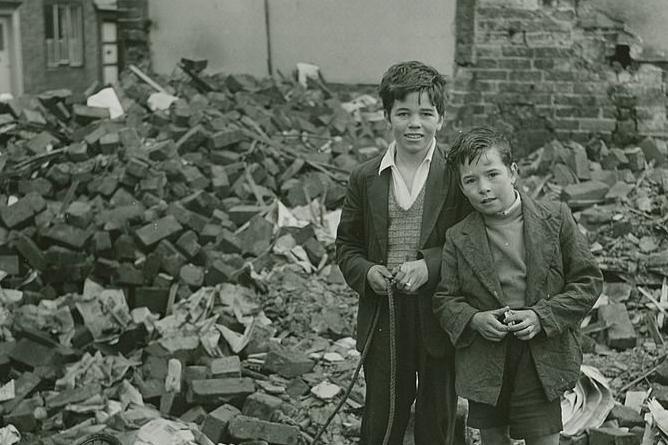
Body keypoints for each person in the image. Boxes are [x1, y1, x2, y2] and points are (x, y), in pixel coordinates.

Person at [433, 127, 602, 445]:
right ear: (462, 187)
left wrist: (542, 316)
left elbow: (588, 281)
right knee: (493, 437)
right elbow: (445, 299)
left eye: (492, 174)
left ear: (513, 172)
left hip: (541, 354)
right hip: (484, 356)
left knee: (543, 437)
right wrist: (474, 320)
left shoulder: (555, 218)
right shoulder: (458, 236)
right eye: (471, 181)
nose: (484, 188)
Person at [336, 61, 470, 445]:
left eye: (426, 113)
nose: (415, 123)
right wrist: (367, 273)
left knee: (437, 416)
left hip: (440, 313)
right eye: (404, 113)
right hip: (384, 315)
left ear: (440, 119)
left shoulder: (456, 175)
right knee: (383, 413)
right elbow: (346, 245)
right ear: (386, 116)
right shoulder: (365, 177)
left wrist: (429, 266)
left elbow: (470, 246)